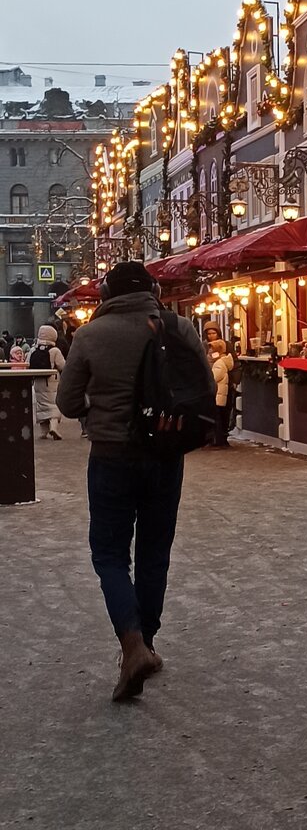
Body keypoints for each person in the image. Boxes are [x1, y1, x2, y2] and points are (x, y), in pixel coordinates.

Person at [57, 261, 214, 702]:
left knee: (109, 553)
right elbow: (200, 386)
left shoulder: (89, 335)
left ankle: (132, 644)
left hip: (112, 456)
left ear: (106, 293)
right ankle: (148, 641)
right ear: (154, 289)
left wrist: (100, 409)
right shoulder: (177, 327)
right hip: (165, 454)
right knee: (154, 550)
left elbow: (68, 404)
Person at [30, 325, 66, 439]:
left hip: (38, 381)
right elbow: (62, 365)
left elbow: (27, 363)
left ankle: (43, 432)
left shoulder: (33, 349)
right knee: (54, 404)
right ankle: (53, 428)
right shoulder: (55, 350)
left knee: (42, 406)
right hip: (52, 381)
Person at [207, 339, 231, 447]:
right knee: (219, 417)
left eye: (212, 349)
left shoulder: (219, 363)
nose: (210, 351)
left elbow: (214, 377)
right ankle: (218, 439)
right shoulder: (221, 362)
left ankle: (218, 440)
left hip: (217, 394)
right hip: (220, 394)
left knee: (217, 418)